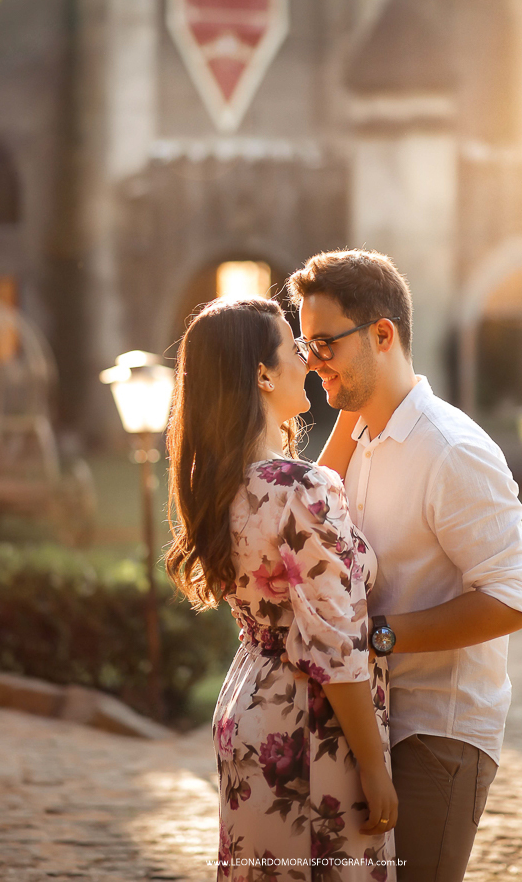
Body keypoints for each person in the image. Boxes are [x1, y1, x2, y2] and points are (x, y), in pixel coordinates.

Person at [287, 250, 522, 882]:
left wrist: (380, 636)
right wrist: (347, 391)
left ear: (382, 334)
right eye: (304, 344)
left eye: (324, 344)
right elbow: (316, 512)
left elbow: (514, 597)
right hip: (364, 716)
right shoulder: (362, 434)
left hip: (438, 727)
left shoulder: (452, 451)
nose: (312, 363)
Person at [164, 296, 398, 882]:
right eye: (294, 347)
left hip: (249, 708)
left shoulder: (225, 480)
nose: (307, 358)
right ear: (262, 375)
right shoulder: (300, 487)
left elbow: (310, 491)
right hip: (310, 727)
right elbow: (335, 642)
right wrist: (373, 765)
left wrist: (350, 407)